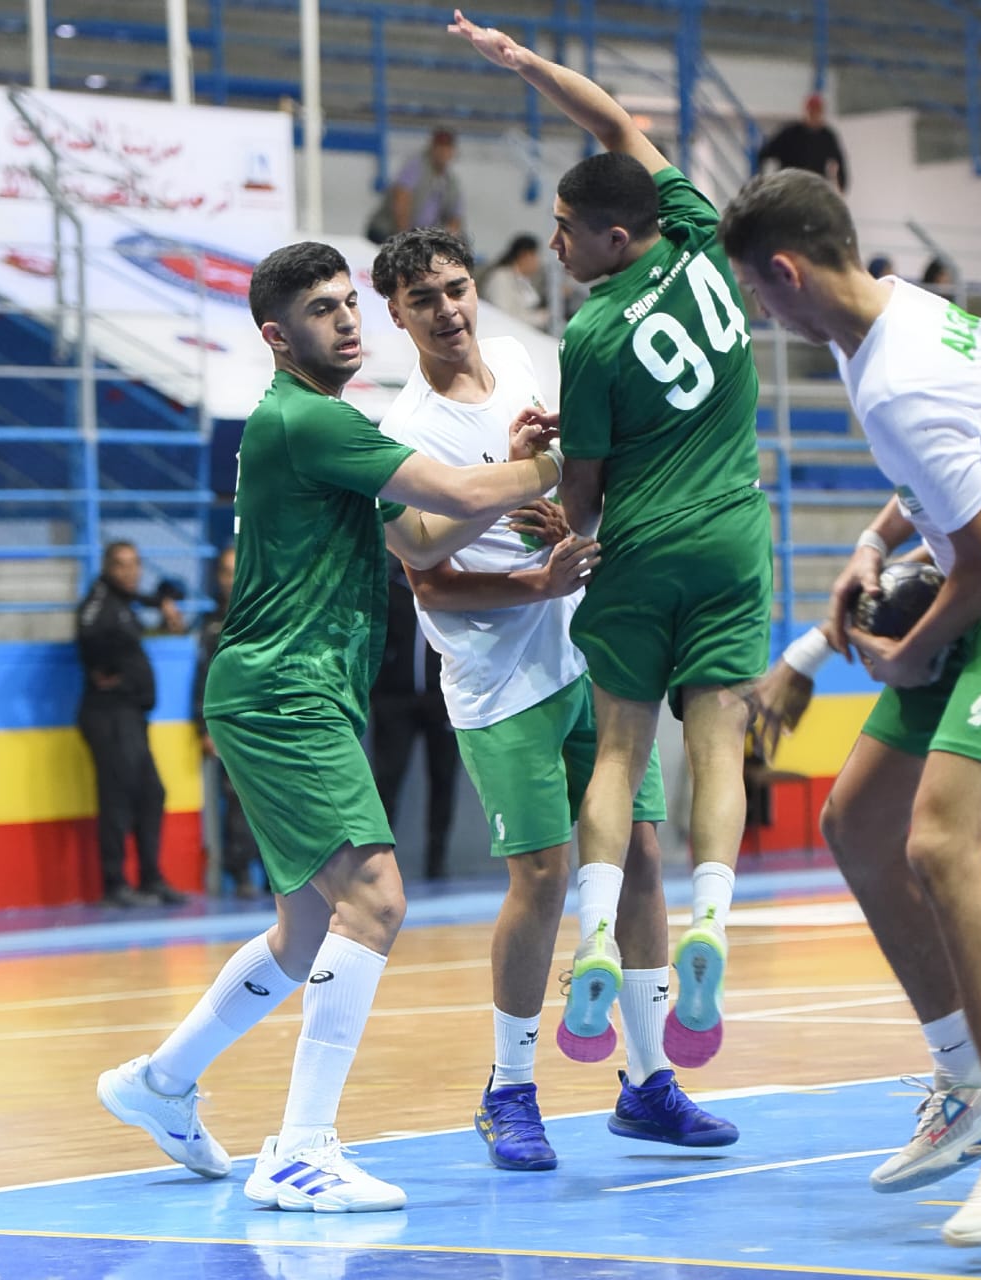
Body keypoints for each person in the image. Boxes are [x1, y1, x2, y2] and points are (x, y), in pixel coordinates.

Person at [96, 239, 563, 1213]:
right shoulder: (307, 420)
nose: (347, 319)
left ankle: (162, 1080)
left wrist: (512, 476)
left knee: (305, 925)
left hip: (298, 689)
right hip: (285, 691)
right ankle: (300, 1147)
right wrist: (575, 459)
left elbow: (431, 536)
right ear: (276, 336)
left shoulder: (326, 426)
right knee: (375, 898)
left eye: (351, 302)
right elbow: (467, 493)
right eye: (322, 308)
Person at [718, 169, 981, 1247]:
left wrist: (905, 651)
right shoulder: (907, 311)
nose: (768, 318)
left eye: (762, 299)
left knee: (941, 844)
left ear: (785, 271)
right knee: (854, 823)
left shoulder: (896, 371)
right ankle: (960, 1083)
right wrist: (874, 542)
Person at [371, 226, 738, 1170]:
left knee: (645, 857)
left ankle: (650, 1083)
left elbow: (577, 492)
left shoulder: (527, 362)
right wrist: (535, 581)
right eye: (425, 300)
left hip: (589, 659)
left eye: (456, 288)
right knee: (540, 877)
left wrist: (565, 503)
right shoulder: (401, 429)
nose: (448, 310)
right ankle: (509, 1091)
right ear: (397, 314)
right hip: (499, 682)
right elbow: (428, 580)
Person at [450, 10, 774, 1072]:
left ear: (614, 239)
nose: (552, 244)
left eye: (564, 229)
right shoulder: (697, 235)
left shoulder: (588, 334)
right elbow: (618, 121)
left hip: (637, 554)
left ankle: (593, 929)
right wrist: (530, 63)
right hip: (730, 538)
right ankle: (712, 921)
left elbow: (583, 495)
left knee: (624, 750)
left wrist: (553, 512)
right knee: (718, 742)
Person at [76, 541, 189, 909]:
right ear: (108, 568)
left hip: (131, 716)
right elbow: (89, 631)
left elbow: (137, 603)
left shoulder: (124, 603)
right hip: (107, 714)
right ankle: (114, 884)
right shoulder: (99, 601)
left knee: (151, 794)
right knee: (117, 798)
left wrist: (161, 605)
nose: (130, 571)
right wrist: (104, 670)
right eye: (121, 565)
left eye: (135, 564)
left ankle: (151, 879)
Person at [368, 552, 460, 881]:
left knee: (444, 780)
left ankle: (437, 862)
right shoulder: (389, 587)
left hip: (444, 700)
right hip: (395, 701)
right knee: (387, 780)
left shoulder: (450, 581)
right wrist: (377, 688)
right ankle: (377, 866)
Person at [193, 543, 263, 899]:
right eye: (224, 571)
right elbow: (203, 678)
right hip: (231, 728)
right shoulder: (210, 626)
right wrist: (206, 728)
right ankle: (240, 874)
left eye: (237, 569)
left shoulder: (266, 613)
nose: (230, 579)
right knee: (236, 803)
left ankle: (277, 877)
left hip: (268, 724)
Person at [364, 127, 465, 244]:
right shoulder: (416, 167)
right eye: (440, 146)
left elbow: (455, 218)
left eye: (447, 147)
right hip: (387, 233)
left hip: (421, 239)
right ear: (432, 147)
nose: (443, 151)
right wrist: (406, 239)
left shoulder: (451, 182)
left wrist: (447, 241)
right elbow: (401, 200)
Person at [757, 92, 848, 193]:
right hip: (789, 188)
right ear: (806, 111)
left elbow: (839, 160)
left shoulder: (827, 137)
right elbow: (764, 154)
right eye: (811, 111)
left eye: (817, 112)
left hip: (814, 190)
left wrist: (842, 186)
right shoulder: (789, 133)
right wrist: (762, 182)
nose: (814, 115)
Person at [480, 232, 549, 331]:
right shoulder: (501, 278)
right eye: (536, 256)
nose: (538, 262)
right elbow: (504, 316)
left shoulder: (523, 280)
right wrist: (541, 318)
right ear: (525, 255)